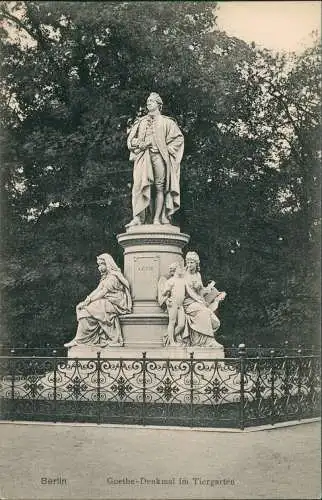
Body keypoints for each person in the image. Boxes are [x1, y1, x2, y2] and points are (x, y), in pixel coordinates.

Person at [125, 92, 184, 227]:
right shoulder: (141, 122)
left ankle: (158, 218)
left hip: (159, 157)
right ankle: (138, 218)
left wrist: (167, 149)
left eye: (151, 101)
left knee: (160, 187)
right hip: (143, 157)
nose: (148, 103)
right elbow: (130, 140)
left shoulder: (167, 122)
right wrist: (140, 143)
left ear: (159, 104)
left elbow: (178, 139)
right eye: (147, 101)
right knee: (140, 186)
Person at [64, 254, 132, 348]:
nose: (99, 268)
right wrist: (86, 300)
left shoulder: (113, 277)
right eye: (99, 265)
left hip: (116, 303)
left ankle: (80, 340)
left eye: (101, 265)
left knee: (89, 310)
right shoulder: (106, 277)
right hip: (108, 300)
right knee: (85, 310)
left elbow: (103, 292)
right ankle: (80, 339)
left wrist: (88, 302)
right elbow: (97, 290)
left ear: (108, 264)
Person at [182, 251, 226, 347]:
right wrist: (200, 301)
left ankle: (203, 340)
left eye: (191, 262)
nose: (189, 265)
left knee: (208, 313)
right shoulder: (184, 275)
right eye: (188, 262)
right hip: (188, 303)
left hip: (198, 301)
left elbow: (201, 292)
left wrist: (211, 291)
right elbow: (189, 292)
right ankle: (207, 341)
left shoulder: (198, 275)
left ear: (196, 263)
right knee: (204, 312)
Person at [159, 262, 186, 346]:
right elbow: (163, 293)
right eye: (179, 268)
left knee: (181, 324)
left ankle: (167, 336)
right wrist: (167, 291)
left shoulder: (182, 281)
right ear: (175, 270)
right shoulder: (170, 281)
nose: (181, 269)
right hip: (173, 304)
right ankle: (172, 342)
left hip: (180, 305)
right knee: (172, 322)